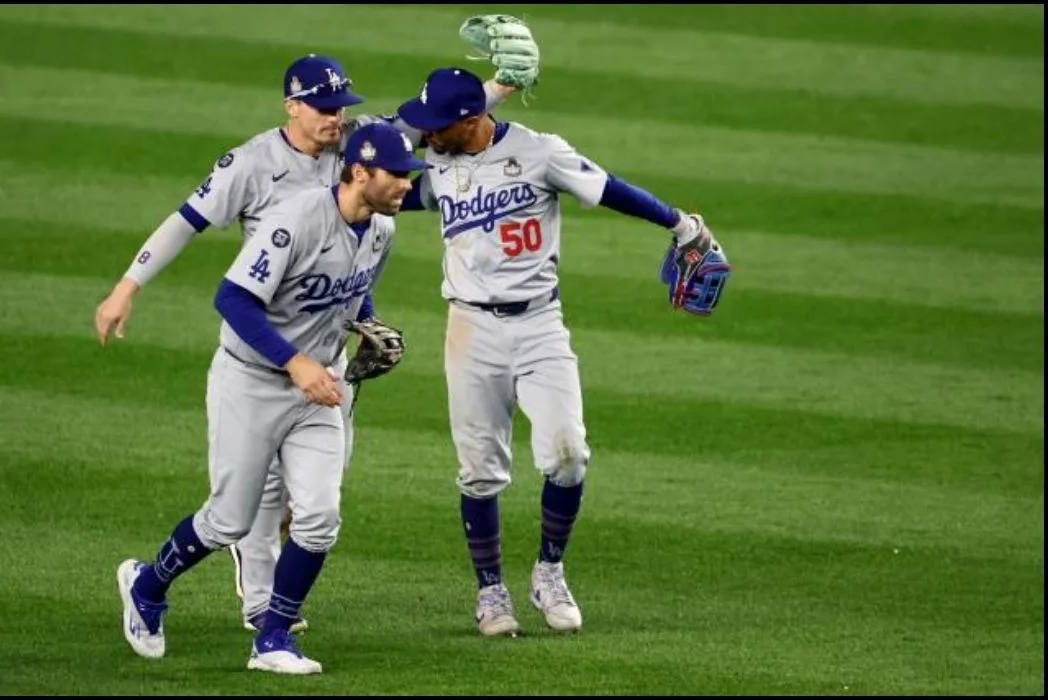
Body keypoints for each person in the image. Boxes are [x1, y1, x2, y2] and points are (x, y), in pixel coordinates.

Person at [94, 30, 538, 635]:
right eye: (326, 109)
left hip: (326, 348)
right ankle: (258, 603)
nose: (338, 119)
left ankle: (270, 605)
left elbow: (434, 123)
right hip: (264, 345)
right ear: (292, 107)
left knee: (312, 501)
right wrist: (127, 287)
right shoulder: (251, 164)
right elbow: (186, 223)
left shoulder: (362, 154)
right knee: (243, 503)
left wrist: (500, 87)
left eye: (343, 108)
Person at [393, 67, 727, 637]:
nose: (427, 134)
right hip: (469, 329)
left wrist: (678, 223)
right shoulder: (435, 165)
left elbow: (608, 186)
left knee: (569, 456)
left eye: (437, 125)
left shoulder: (539, 152)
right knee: (479, 471)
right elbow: (372, 175)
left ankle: (549, 571)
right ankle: (490, 592)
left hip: (540, 323)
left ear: (471, 121)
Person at [117, 121, 429, 675]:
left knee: (320, 517)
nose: (408, 186)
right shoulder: (294, 221)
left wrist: (366, 325)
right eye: (398, 176)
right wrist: (295, 361)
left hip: (320, 390)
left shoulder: (381, 230)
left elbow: (353, 289)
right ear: (360, 172)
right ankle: (147, 583)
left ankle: (274, 637)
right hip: (252, 381)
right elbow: (232, 299)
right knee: (228, 521)